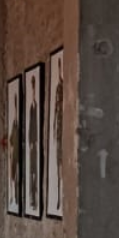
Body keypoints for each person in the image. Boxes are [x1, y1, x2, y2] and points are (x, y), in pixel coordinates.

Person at [52, 62, 64, 213]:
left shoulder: (64, 89)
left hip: (63, 133)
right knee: (57, 163)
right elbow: (55, 111)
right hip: (59, 133)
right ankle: (59, 196)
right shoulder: (58, 89)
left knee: (61, 163)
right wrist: (54, 128)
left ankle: (61, 195)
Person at [27, 84, 39, 210]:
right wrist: (30, 142)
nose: (34, 93)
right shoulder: (31, 108)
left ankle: (34, 196)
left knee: (34, 170)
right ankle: (32, 196)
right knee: (32, 171)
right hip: (32, 146)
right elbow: (30, 127)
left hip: (35, 146)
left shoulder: (35, 108)